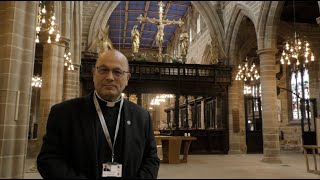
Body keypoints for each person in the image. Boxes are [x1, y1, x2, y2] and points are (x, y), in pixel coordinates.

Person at [37, 49, 160, 179]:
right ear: (94, 74)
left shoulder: (142, 116)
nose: (109, 77)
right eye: (103, 70)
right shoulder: (63, 113)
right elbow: (48, 160)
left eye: (117, 72)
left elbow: (151, 159)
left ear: (127, 78)